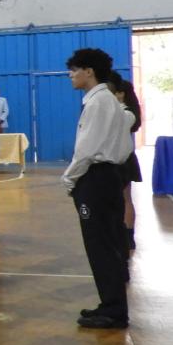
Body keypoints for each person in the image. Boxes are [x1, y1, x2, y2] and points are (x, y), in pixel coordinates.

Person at [64, 49, 134, 329]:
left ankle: (114, 310)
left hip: (95, 178)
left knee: (100, 245)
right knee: (108, 242)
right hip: (108, 176)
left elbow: (86, 150)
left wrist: (70, 179)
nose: (70, 75)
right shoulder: (111, 102)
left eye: (74, 70)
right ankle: (111, 304)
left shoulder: (98, 103)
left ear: (89, 71)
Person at [105, 71, 143, 254]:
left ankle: (128, 235)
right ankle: (119, 234)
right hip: (114, 156)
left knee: (126, 198)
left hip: (123, 158)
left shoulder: (126, 112)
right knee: (117, 199)